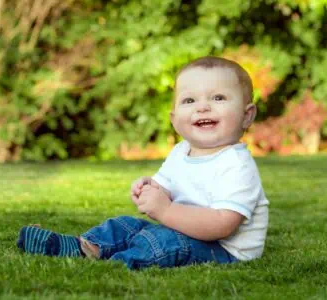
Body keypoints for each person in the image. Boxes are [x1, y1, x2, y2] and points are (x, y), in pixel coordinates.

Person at [17, 56, 269, 270]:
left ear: (247, 116)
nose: (202, 107)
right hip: (183, 230)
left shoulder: (237, 165)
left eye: (218, 98)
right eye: (189, 101)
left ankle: (114, 263)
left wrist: (166, 212)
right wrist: (150, 188)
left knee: (161, 240)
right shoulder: (181, 152)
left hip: (224, 251)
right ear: (174, 119)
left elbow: (222, 224)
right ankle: (83, 246)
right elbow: (165, 186)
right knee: (125, 225)